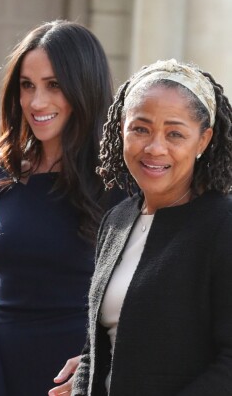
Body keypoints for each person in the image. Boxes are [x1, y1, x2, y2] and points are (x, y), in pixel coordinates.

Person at [0, 20, 120, 396]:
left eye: (54, 85)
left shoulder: (119, 184)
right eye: (27, 85)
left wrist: (104, 363)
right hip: (0, 366)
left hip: (76, 375)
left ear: (85, 88)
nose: (37, 102)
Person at [68, 59, 232, 396]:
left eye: (175, 133)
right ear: (121, 130)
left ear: (203, 140)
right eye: (140, 128)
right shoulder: (116, 221)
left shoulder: (223, 225)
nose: (155, 147)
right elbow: (95, 348)